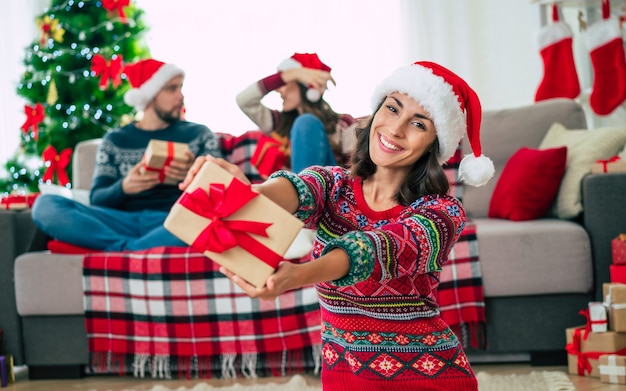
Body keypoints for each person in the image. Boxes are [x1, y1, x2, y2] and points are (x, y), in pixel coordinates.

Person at [182, 61, 494, 390]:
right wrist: (246, 193)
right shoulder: (332, 184)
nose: (395, 129)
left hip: (427, 380)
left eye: (418, 124)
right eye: (392, 109)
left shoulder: (442, 212)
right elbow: (298, 189)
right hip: (344, 379)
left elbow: (375, 250)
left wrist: (299, 274)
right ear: (375, 112)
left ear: (434, 143)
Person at [31, 58, 223, 252]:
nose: (180, 96)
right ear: (150, 94)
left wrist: (191, 177)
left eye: (181, 88)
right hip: (120, 222)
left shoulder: (199, 135)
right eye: (172, 89)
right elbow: (97, 198)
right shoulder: (115, 141)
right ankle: (132, 249)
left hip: (173, 221)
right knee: (45, 205)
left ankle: (122, 251)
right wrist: (124, 187)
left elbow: (220, 195)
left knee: (205, 223)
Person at [235, 52, 356, 173]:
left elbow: (355, 173)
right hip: (289, 189)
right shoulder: (279, 124)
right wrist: (292, 74)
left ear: (307, 88)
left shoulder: (343, 124)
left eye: (284, 83)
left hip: (332, 188)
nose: (278, 90)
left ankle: (305, 187)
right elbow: (244, 101)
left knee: (306, 122)